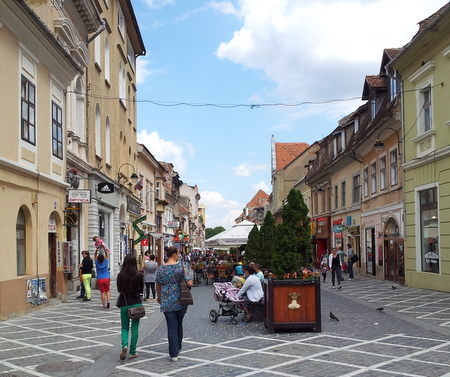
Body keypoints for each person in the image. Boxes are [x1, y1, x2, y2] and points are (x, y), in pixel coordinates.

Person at [156, 246, 193, 362]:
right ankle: (178, 346)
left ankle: (173, 354)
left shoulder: (161, 269)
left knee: (171, 326)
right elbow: (190, 283)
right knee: (179, 323)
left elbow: (158, 284)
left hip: (167, 300)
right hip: (180, 298)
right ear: (175, 254)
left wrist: (159, 297)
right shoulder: (181, 267)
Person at [116, 253, 144, 360]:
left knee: (124, 327)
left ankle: (124, 345)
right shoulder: (139, 275)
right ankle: (132, 351)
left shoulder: (120, 275)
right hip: (136, 303)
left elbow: (119, 290)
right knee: (135, 327)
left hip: (124, 303)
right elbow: (141, 290)